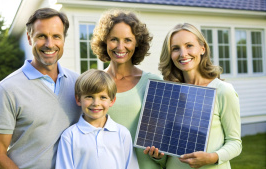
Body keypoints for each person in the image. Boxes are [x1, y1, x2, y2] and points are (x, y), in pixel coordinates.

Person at [0, 8, 81, 169]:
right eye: (41, 36)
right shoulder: (7, 90)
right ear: (30, 38)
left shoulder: (78, 84)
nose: (49, 44)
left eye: (56, 36)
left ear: (63, 39)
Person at [144, 23, 242, 169]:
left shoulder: (222, 91)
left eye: (189, 45)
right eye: (175, 48)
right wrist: (158, 157)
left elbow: (235, 143)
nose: (183, 54)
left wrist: (212, 157)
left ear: (202, 49)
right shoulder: (170, 93)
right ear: (170, 55)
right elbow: (169, 149)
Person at [91, 9, 164, 168]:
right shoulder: (93, 83)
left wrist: (159, 156)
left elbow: (163, 138)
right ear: (104, 41)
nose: (120, 46)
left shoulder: (153, 82)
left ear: (137, 43)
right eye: (114, 39)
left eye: (128, 40)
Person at [55, 69, 139, 169]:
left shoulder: (122, 134)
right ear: (78, 99)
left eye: (103, 97)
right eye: (89, 97)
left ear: (112, 101)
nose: (96, 103)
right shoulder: (70, 136)